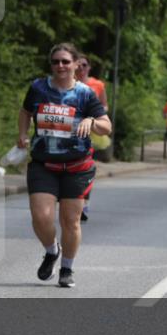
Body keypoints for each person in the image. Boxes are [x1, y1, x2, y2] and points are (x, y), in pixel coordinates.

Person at [18, 43, 111, 288]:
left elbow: (107, 125)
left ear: (75, 64)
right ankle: (51, 250)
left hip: (77, 166)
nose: (60, 66)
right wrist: (22, 134)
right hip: (43, 163)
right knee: (41, 217)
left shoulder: (85, 94)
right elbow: (25, 111)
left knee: (70, 222)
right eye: (56, 61)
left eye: (65, 61)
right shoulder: (38, 88)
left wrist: (91, 121)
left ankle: (67, 269)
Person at [73, 52, 107, 222]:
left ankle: (84, 202)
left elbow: (104, 105)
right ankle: (73, 200)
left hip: (91, 128)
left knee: (86, 165)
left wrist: (95, 117)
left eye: (84, 65)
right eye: (79, 64)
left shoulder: (97, 85)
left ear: (89, 68)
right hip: (71, 130)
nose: (81, 68)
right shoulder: (67, 84)